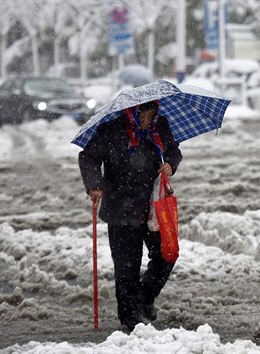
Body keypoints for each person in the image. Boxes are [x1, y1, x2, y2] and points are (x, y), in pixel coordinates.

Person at [78, 100, 182, 331]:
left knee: (167, 255)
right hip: (121, 207)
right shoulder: (112, 129)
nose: (147, 122)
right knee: (127, 267)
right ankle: (129, 316)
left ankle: (144, 298)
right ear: (133, 113)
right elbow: (88, 157)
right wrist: (94, 184)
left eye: (151, 116)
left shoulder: (159, 126)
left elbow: (174, 150)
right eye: (143, 116)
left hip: (153, 206)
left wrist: (171, 165)